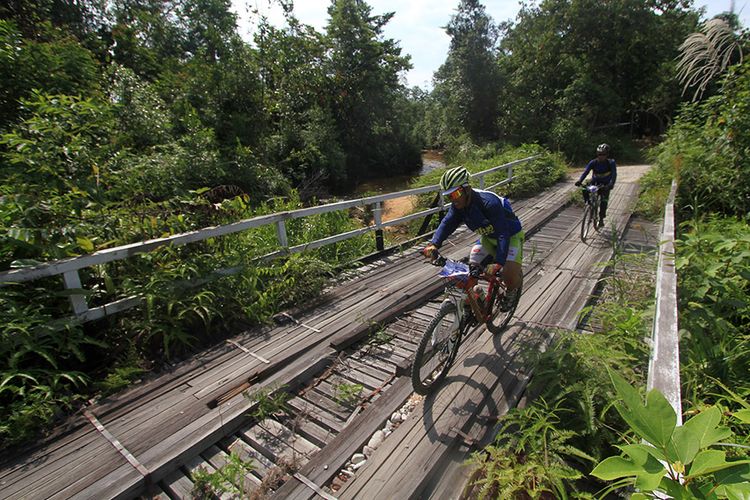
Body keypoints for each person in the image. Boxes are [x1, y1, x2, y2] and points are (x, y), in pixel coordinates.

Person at [422, 166, 524, 311]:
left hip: (510, 235)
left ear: (467, 188)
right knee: (471, 270)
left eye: (456, 193)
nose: (453, 199)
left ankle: (512, 292)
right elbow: (447, 223)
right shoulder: (458, 206)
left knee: (508, 274)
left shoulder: (489, 203)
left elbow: (503, 234)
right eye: (448, 196)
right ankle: (474, 304)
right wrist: (434, 244)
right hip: (488, 238)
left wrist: (499, 263)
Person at [575, 143, 617, 225]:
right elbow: (586, 172)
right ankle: (588, 205)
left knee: (603, 201)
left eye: (603, 154)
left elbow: (614, 174)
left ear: (607, 155)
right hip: (595, 182)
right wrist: (580, 180)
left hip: (605, 184)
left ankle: (601, 219)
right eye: (599, 154)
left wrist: (611, 184)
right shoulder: (593, 162)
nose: (601, 156)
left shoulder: (611, 163)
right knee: (584, 189)